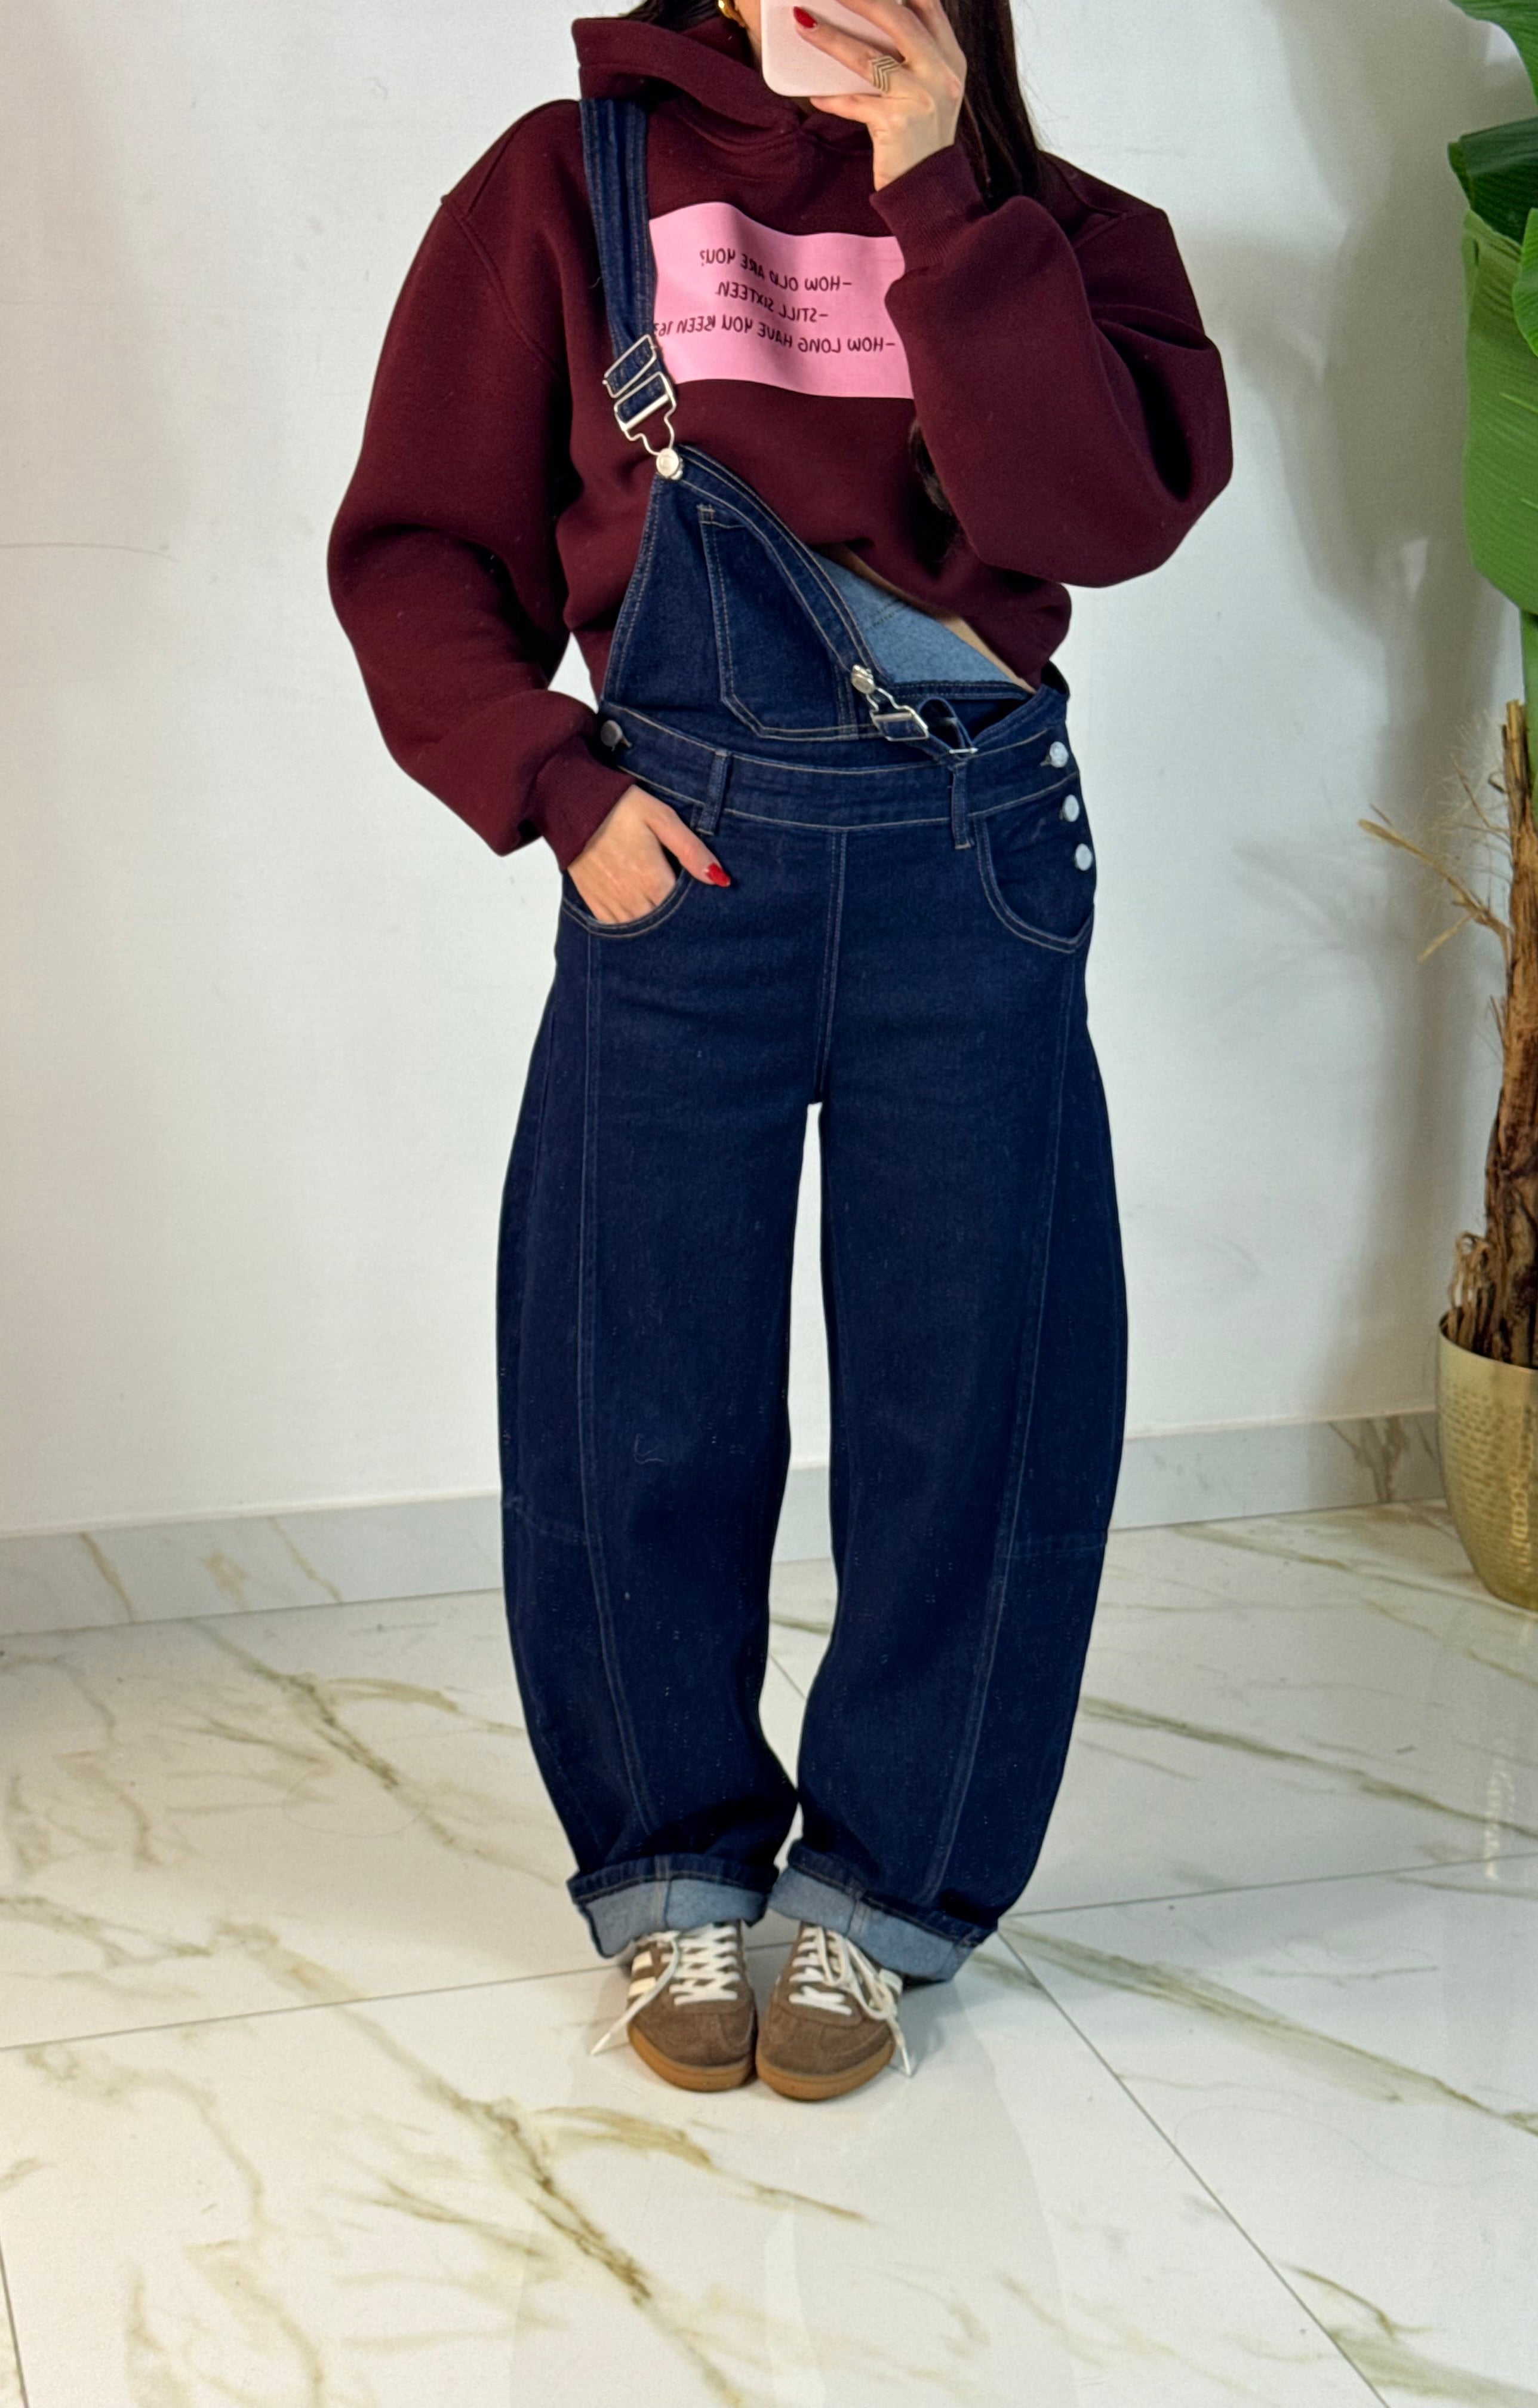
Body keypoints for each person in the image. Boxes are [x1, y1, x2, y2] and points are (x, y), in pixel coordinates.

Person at [328, 0, 1232, 2102]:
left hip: (973, 866)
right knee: (630, 1391)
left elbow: (1088, 518)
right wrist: (557, 792)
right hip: (683, 861)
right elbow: (421, 544)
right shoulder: (561, 189)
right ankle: (670, 1867)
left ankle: (889, 1891)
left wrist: (943, 191)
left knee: (975, 1402)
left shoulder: (1070, 232)